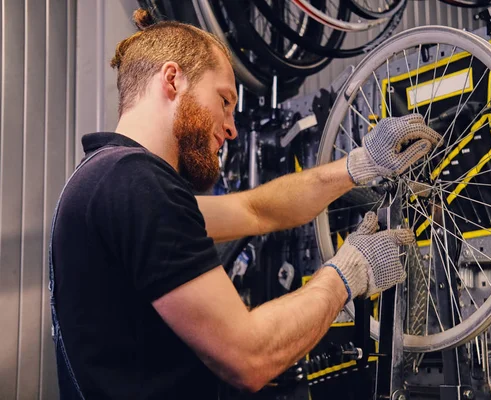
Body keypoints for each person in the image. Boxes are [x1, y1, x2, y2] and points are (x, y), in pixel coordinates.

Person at [49, 8, 442, 399]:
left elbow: (256, 210)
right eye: (224, 100)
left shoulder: (104, 180)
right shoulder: (136, 183)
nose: (232, 128)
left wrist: (357, 166)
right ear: (172, 80)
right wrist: (347, 274)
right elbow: (250, 355)